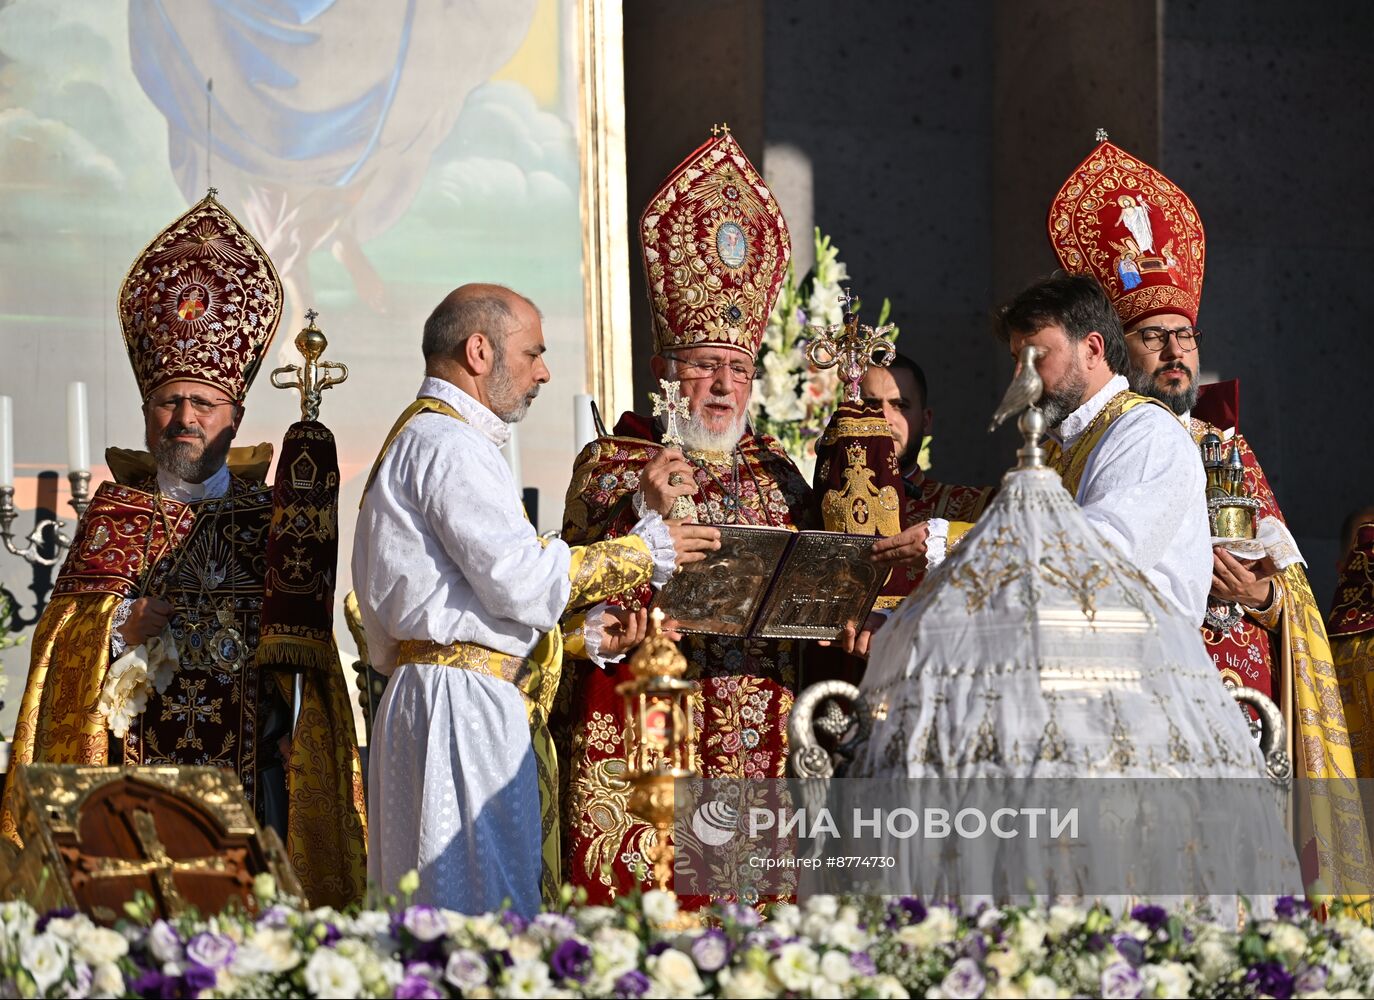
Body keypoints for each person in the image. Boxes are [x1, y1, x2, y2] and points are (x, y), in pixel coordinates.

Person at [1, 193, 366, 906]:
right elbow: (58, 652)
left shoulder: (272, 519)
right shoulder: (117, 513)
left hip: (250, 780)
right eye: (169, 403)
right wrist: (116, 629)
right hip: (127, 786)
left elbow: (309, 658)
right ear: (146, 412)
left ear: (234, 416)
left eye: (203, 405)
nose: (184, 419)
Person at [1050, 133, 1373, 899]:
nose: (1174, 353)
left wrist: (1264, 599)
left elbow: (1292, 593)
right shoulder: (1089, 449)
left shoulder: (1229, 450)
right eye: (1152, 337)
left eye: (1184, 336)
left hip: (1243, 718)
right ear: (1112, 352)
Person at [353, 283, 717, 916]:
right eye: (533, 354)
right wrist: (646, 548)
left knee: (448, 910)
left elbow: (468, 609)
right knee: (476, 916)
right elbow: (519, 582)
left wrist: (585, 635)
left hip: (442, 696)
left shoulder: (431, 438)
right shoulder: (449, 445)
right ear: (479, 351)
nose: (544, 372)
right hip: (459, 713)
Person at [557, 128, 813, 904]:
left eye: (737, 368)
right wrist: (646, 510)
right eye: (705, 364)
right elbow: (569, 590)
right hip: (656, 732)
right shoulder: (613, 462)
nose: (723, 386)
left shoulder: (779, 474)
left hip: (760, 733)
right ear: (666, 372)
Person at [859, 353, 993, 592]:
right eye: (871, 405)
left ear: (925, 421)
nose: (884, 419)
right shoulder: (814, 512)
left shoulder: (976, 507)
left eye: (900, 406)